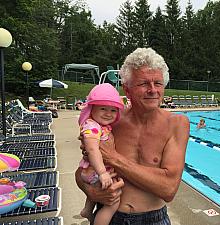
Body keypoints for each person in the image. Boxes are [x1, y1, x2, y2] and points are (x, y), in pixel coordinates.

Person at [75, 47, 190, 225]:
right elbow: (82, 172)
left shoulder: (176, 124)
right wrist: (91, 192)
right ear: (127, 90)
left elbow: (168, 189)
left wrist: (113, 158)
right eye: (144, 83)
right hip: (110, 217)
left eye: (158, 83)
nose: (153, 90)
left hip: (154, 220)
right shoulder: (110, 123)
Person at [78, 83, 124, 224]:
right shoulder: (92, 127)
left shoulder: (100, 126)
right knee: (113, 203)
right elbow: (92, 150)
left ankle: (87, 209)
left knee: (99, 192)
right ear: (92, 109)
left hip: (92, 170)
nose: (108, 113)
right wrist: (103, 173)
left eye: (113, 110)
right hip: (97, 171)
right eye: (103, 108)